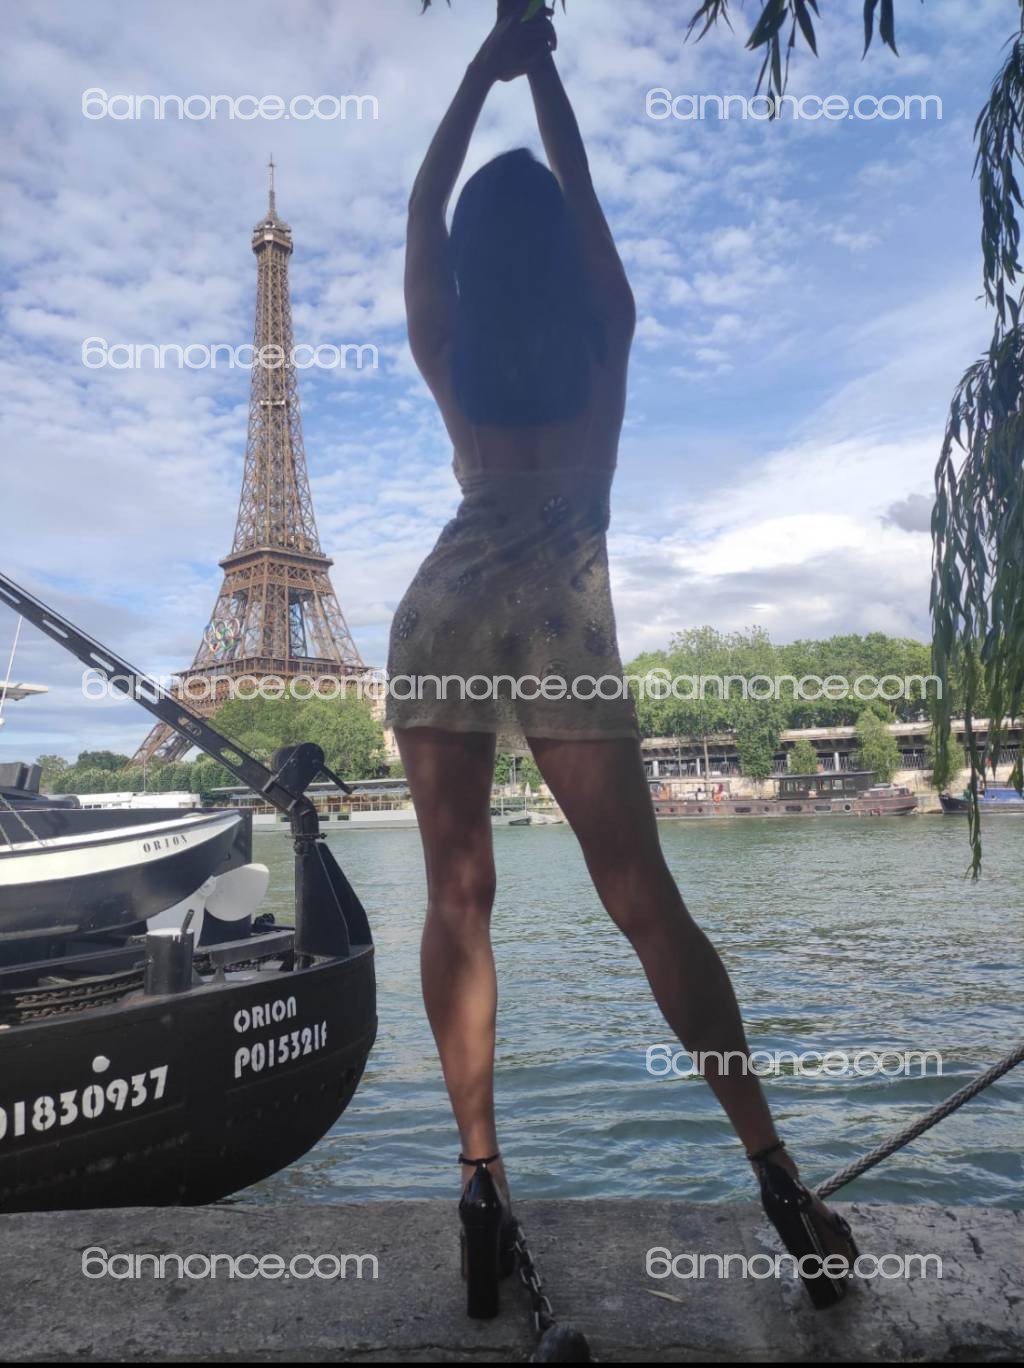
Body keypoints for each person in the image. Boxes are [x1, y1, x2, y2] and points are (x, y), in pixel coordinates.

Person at [387, 0, 857, 1318]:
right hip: (563, 608)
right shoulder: (606, 337)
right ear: (560, 259)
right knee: (646, 899)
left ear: (476, 267)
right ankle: (780, 1180)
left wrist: (483, 67)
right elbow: (582, 194)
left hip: (444, 606)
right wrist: (543, 76)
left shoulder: (448, 348)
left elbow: (420, 213)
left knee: (457, 900)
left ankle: (481, 1188)